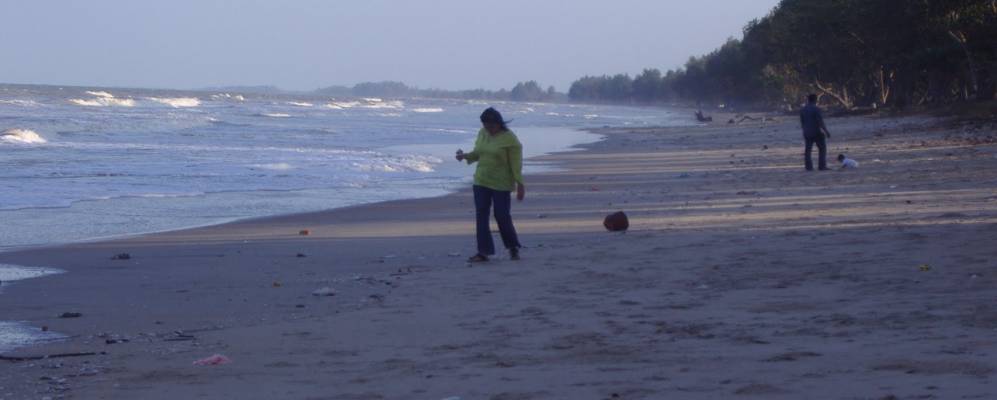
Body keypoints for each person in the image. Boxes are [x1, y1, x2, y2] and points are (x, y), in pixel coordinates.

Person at [455, 107, 524, 263]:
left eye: (491, 126)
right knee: (481, 215)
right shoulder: (482, 133)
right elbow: (478, 153)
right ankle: (483, 252)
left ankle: (513, 247)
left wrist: (520, 183)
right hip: (481, 181)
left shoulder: (510, 139)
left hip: (501, 183)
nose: (489, 129)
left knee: (502, 215)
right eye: (486, 126)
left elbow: (516, 163)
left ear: (499, 123)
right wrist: (464, 156)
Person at [800, 94, 831, 171]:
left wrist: (805, 130)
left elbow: (802, 122)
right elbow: (820, 121)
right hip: (816, 132)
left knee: (808, 151)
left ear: (808, 99)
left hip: (807, 132)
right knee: (822, 148)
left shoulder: (803, 109)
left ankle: (809, 167)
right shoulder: (816, 109)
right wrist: (826, 131)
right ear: (815, 100)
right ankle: (822, 166)